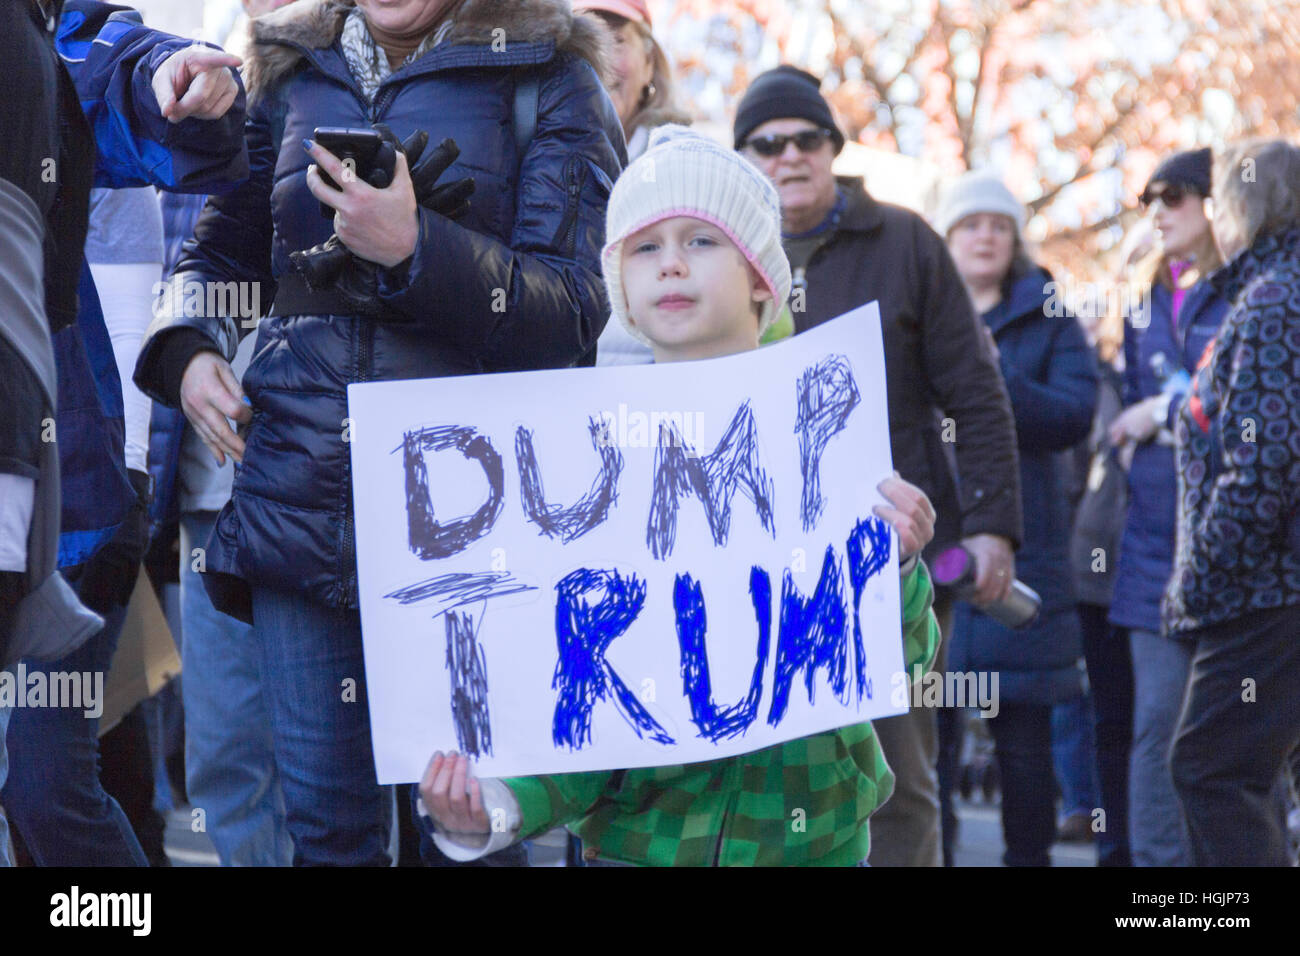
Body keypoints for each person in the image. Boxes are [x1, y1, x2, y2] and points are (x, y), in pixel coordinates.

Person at [133, 0, 625, 866]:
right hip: (299, 511)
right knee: (327, 833)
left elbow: (572, 312)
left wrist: (415, 249)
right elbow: (216, 256)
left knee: (467, 838)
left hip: (472, 534)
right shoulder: (285, 68)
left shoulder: (552, 72)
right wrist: (188, 348)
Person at [417, 125, 941, 866]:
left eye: (701, 241)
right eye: (644, 247)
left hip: (811, 840)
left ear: (761, 274)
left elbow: (902, 666)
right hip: (644, 844)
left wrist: (899, 572)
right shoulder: (587, 469)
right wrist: (496, 804)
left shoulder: (825, 433)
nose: (670, 264)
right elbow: (575, 682)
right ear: (621, 287)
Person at [733, 65, 1022, 868]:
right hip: (755, 563)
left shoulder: (907, 242)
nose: (788, 156)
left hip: (896, 561)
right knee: (767, 770)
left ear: (832, 146)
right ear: (743, 157)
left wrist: (994, 526)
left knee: (896, 770)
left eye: (806, 139)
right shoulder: (718, 251)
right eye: (766, 144)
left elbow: (976, 390)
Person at [1, 0, 247, 867]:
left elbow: (121, 70)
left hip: (57, 504)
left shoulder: (47, 43)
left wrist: (175, 83)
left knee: (44, 787)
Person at [934, 170, 1098, 866]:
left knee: (1024, 751)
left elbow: (1072, 414)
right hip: (934, 554)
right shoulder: (919, 311)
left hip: (1020, 555)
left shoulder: (1050, 318)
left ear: (1016, 241)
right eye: (971, 224)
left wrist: (992, 374)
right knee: (926, 748)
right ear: (947, 238)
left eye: (999, 225)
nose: (985, 235)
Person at [1164, 139, 1300, 867]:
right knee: (1251, 774)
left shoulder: (1275, 300)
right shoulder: (1274, 291)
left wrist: (1200, 579)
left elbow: (1265, 463)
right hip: (1274, 588)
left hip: (1267, 591)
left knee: (1210, 769)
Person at [1106, 147, 1227, 867]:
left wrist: (1164, 407)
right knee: (1156, 727)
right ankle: (1162, 893)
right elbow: (1125, 415)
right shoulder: (1145, 298)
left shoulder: (1259, 289)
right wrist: (1145, 413)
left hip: (1238, 547)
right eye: (1149, 197)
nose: (1158, 211)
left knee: (1235, 741)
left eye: (1176, 195)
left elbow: (1247, 399)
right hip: (1152, 549)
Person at [1064, 218, 1155, 867]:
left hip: (1167, 569)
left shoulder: (1181, 363)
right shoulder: (1093, 375)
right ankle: (1114, 848)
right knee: (1110, 719)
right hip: (1096, 571)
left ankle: (1163, 861)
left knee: (1164, 726)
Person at [580, 0, 691, 369]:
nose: (603, 58)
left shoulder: (686, 167)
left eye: (617, 40)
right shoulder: (529, 159)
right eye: (586, 39)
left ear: (650, 64)